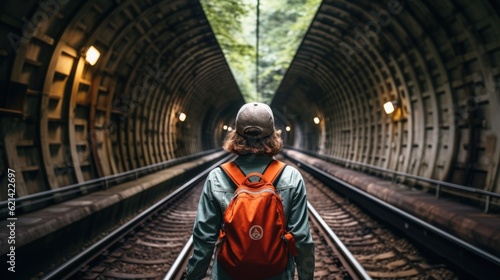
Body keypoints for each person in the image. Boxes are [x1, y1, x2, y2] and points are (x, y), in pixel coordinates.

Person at [186, 102, 315, 279]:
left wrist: (194, 276)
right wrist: (306, 277)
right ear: (273, 135)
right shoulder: (291, 176)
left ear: (236, 135)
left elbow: (204, 238)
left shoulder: (217, 177)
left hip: (228, 273)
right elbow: (301, 239)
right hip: (277, 273)